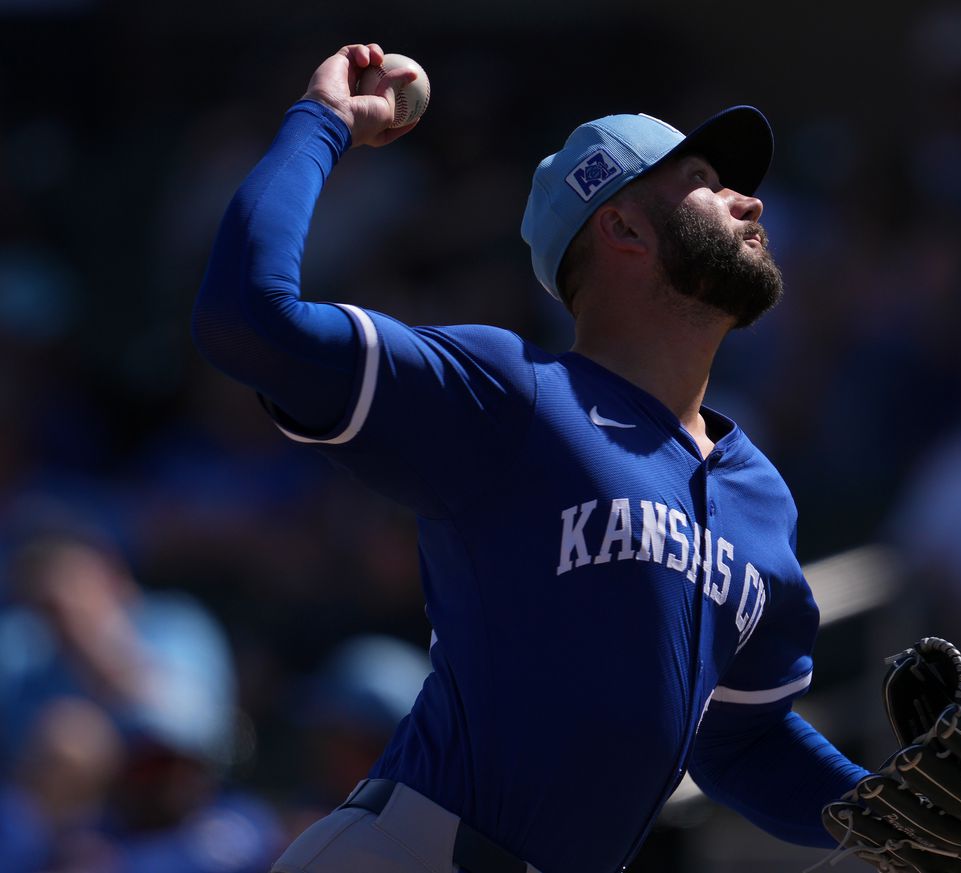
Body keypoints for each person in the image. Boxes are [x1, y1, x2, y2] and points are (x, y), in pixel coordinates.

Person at [193, 43, 871, 873]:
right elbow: (246, 317)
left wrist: (880, 814)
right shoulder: (512, 391)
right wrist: (325, 121)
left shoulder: (758, 494)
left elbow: (741, 740)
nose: (747, 200)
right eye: (704, 179)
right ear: (620, 223)